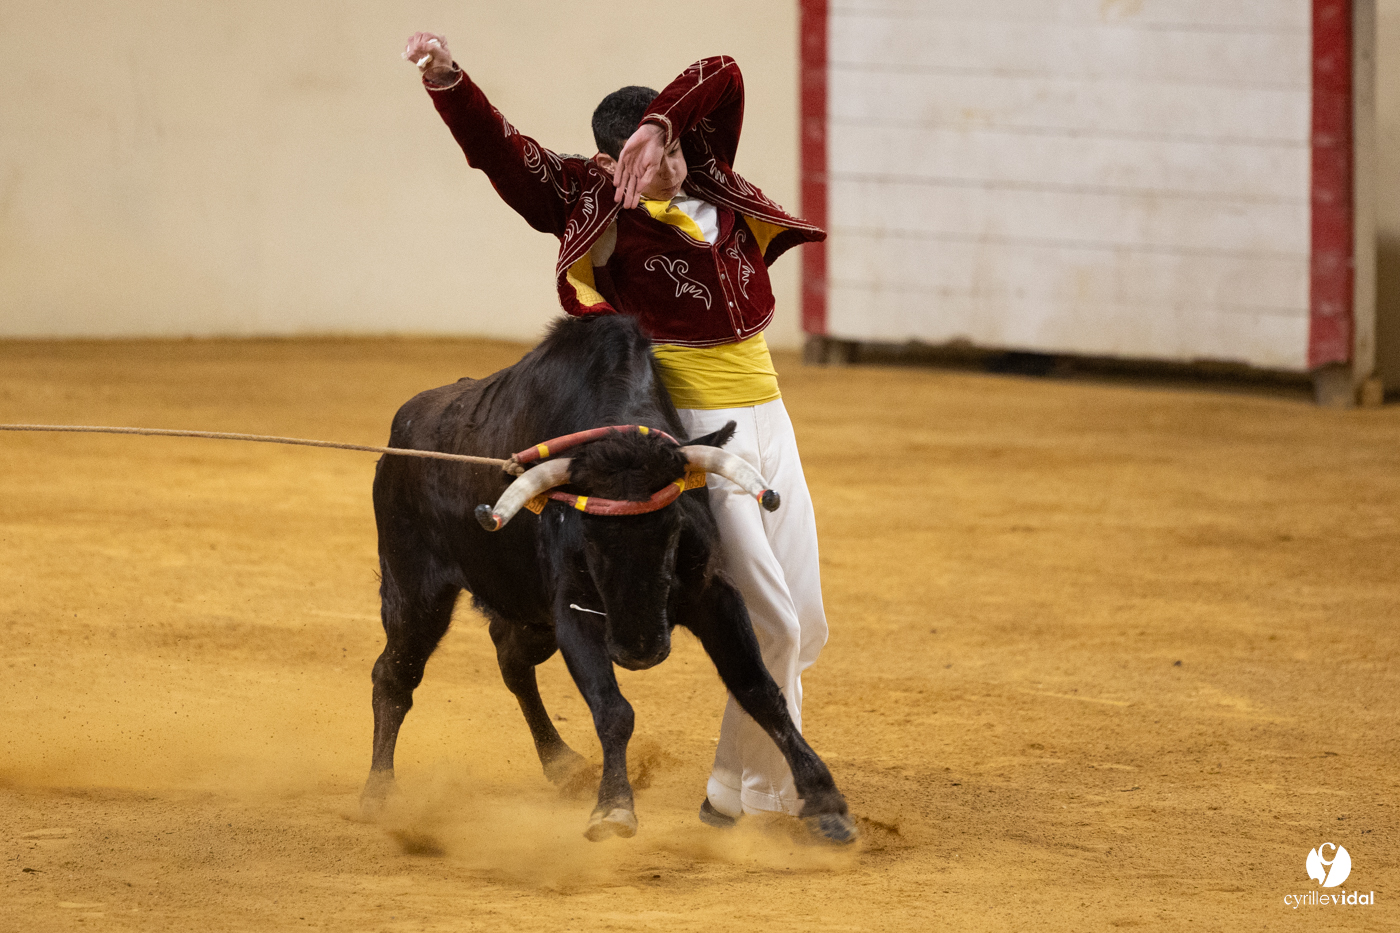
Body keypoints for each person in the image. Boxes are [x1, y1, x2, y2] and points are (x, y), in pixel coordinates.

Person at [403, 33, 833, 831]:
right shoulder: (592, 202)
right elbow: (504, 156)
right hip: (696, 431)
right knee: (768, 618)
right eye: (646, 156)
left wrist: (664, 124)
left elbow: (724, 73)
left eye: (673, 151)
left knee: (806, 623)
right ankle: (773, 799)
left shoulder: (705, 169)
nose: (670, 169)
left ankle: (729, 789)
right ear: (608, 164)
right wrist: (450, 82)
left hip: (770, 416)